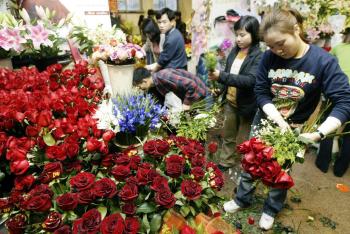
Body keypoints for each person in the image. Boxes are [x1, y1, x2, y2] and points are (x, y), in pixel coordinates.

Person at [223, 8, 350, 230]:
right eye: (270, 46)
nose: (276, 51)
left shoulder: (323, 62)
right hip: (265, 120)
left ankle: (272, 208)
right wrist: (276, 119)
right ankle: (242, 198)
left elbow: (344, 102)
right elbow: (261, 91)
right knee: (251, 163)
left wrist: (319, 133)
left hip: (295, 129)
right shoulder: (268, 57)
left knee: (281, 172)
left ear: (296, 30)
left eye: (280, 43)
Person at [208, 16, 262, 170]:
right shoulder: (234, 51)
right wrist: (221, 88)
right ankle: (226, 161)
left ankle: (247, 168)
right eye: (237, 34)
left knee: (245, 140)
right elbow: (229, 74)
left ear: (254, 34)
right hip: (231, 101)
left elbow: (250, 81)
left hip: (247, 104)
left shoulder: (258, 56)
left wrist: (221, 76)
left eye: (243, 35)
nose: (238, 39)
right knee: (228, 135)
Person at [316, 27, 350, 177]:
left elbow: (327, 65)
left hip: (338, 91)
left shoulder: (338, 48)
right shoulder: (338, 48)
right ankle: (340, 169)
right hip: (341, 91)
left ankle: (323, 162)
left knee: (328, 124)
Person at [133, 67, 209, 110]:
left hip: (199, 93)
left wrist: (186, 104)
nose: (139, 88)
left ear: (144, 81)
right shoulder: (154, 85)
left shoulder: (164, 76)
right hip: (190, 96)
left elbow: (191, 85)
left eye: (138, 86)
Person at [145, 8, 187, 72]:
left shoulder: (172, 38)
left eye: (164, 22)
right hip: (176, 70)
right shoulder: (173, 33)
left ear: (172, 22)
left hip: (175, 73)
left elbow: (161, 63)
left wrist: (152, 73)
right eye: (159, 22)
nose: (161, 25)